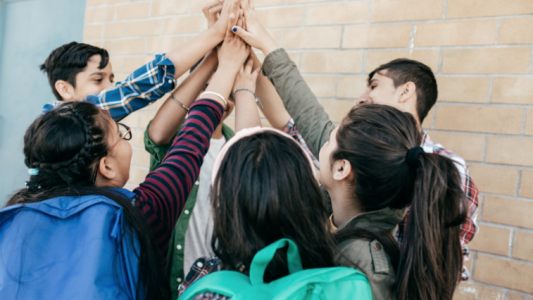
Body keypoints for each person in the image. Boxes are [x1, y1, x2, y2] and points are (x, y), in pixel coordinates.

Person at [0, 20, 249, 300]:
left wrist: (215, 56)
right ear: (106, 165)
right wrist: (227, 65)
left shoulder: (15, 212)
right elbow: (190, 142)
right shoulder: (139, 215)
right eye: (122, 133)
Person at [231, 0, 478, 281]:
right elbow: (301, 117)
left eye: (374, 85)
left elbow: (439, 268)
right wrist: (248, 54)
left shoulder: (440, 168)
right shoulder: (359, 161)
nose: (362, 97)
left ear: (406, 91)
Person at [41, 0, 240, 121]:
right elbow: (133, 89)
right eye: (97, 79)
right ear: (65, 89)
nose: (110, 86)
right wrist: (215, 33)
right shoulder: (64, 120)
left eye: (111, 79)